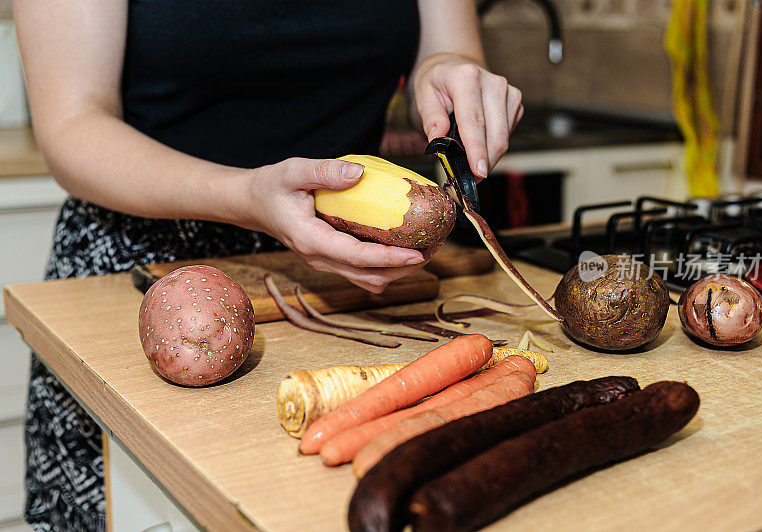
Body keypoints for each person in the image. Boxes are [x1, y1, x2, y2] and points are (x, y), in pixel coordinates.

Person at [12, 0, 523, 529]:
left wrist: (446, 68)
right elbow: (72, 123)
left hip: (342, 271)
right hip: (148, 268)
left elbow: (448, 44)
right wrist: (245, 196)